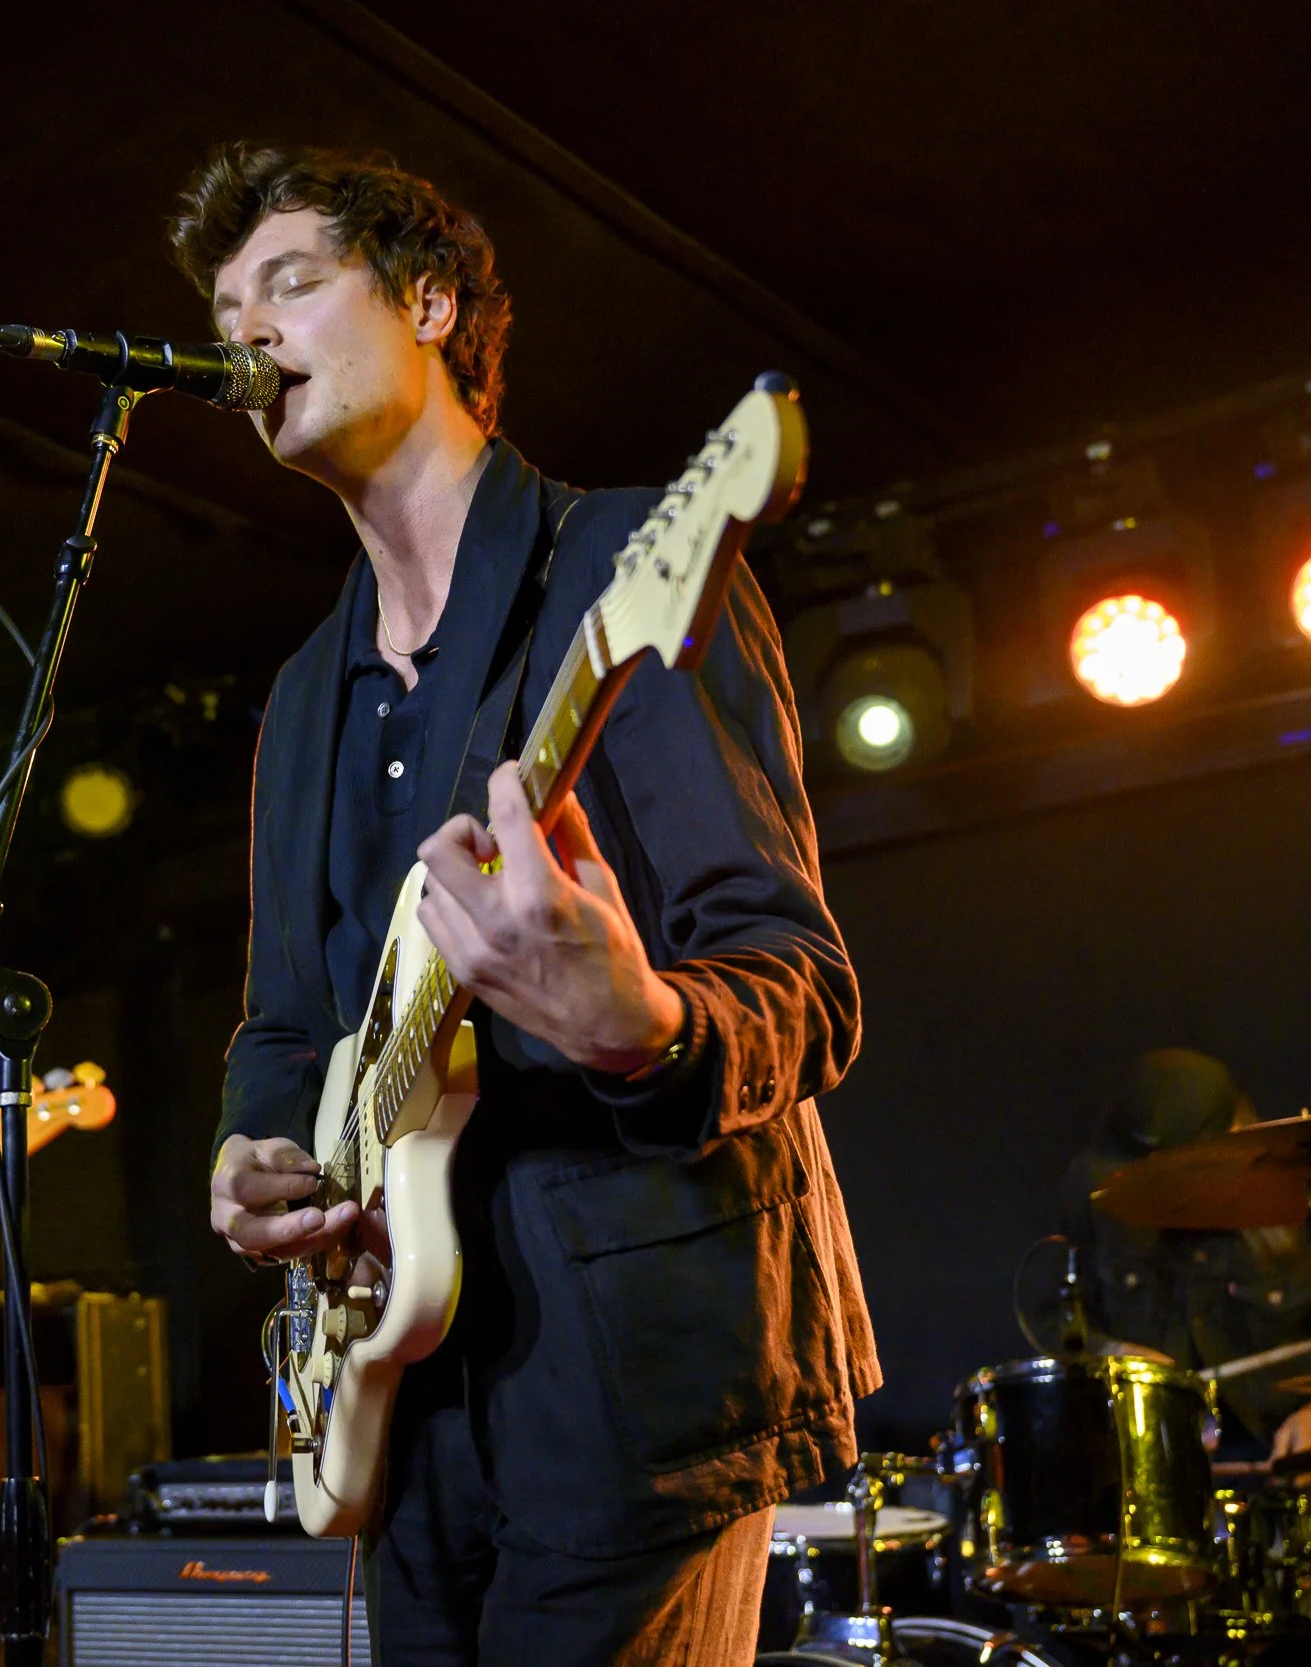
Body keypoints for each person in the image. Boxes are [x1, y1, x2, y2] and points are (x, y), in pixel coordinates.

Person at [183, 145, 873, 1665]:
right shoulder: (305, 696)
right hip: (405, 1396)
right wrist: (255, 1150)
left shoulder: (618, 563)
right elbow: (287, 1020)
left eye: (291, 283)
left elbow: (801, 978)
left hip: (640, 1384)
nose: (249, 330)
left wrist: (643, 1025)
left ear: (431, 303)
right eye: (228, 306)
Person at [1056, 1048, 1311, 1460]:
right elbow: (1063, 1333)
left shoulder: (1310, 1199)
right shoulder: (1094, 1203)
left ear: (1234, 1132)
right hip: (1158, 1468)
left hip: (1291, 1468)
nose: (1162, 1184)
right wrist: (1113, 1355)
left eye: (1179, 1167)